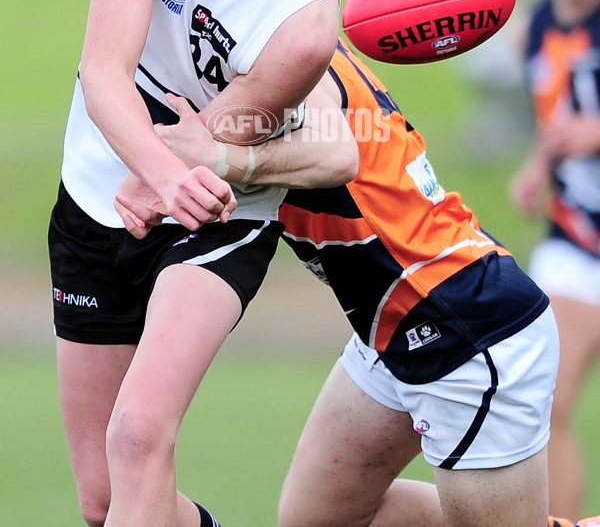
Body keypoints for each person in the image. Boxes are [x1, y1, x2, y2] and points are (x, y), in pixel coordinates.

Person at [48, 0, 385, 527]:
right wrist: (156, 172)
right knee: (105, 501)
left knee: (137, 438)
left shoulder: (307, 19)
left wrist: (168, 179)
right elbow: (103, 74)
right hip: (98, 191)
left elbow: (208, 136)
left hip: (217, 214)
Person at [126, 36, 576, 526]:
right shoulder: (236, 40)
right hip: (388, 322)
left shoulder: (280, 37)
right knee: (318, 520)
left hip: (461, 318)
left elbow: (333, 154)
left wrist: (216, 158)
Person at [510, 0, 600, 521]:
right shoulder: (536, 24)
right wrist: (538, 164)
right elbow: (561, 114)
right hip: (576, 240)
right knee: (548, 402)